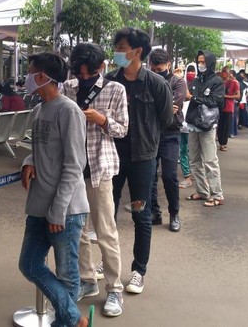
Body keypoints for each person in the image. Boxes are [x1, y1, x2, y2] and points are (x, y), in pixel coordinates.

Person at [19, 52, 90, 327]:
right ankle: (74, 319)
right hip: (38, 205)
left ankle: (66, 322)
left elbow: (75, 164)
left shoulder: (69, 110)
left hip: (65, 211)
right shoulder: (39, 110)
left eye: (30, 71)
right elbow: (39, 149)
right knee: (29, 264)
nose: (26, 77)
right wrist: (28, 162)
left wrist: (58, 210)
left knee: (67, 276)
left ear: (41, 77)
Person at [62, 42, 128, 317]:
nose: (83, 79)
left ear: (102, 68)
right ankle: (87, 281)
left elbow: (123, 129)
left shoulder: (115, 90)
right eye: (79, 74)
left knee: (105, 232)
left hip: (100, 169)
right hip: (72, 171)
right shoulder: (67, 87)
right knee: (76, 230)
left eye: (88, 74)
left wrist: (102, 120)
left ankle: (114, 289)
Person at [105, 27, 173, 294]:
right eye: (117, 47)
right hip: (110, 156)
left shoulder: (156, 84)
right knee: (106, 212)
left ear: (137, 51)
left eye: (122, 47)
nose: (117, 52)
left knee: (140, 213)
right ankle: (106, 262)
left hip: (142, 159)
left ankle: (138, 271)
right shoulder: (109, 80)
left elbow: (166, 119)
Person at [147, 49, 186, 232]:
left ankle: (174, 213)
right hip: (149, 133)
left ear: (168, 65)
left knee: (169, 175)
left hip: (170, 134)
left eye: (160, 69)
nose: (156, 72)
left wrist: (153, 105)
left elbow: (173, 108)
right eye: (153, 69)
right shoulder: (146, 79)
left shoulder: (178, 82)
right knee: (149, 176)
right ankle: (154, 211)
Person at [185, 50, 226, 207]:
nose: (201, 65)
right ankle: (203, 191)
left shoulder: (217, 81)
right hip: (193, 124)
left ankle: (217, 194)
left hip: (207, 126)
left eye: (204, 62)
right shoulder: (196, 80)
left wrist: (194, 98)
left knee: (210, 160)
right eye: (199, 62)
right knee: (194, 160)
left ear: (210, 63)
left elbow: (215, 100)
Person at [176, 67, 193, 189]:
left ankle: (198, 176)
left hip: (195, 124)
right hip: (182, 124)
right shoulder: (176, 88)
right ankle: (187, 176)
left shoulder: (195, 85)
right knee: (183, 150)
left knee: (194, 151)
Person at [217, 71, 240, 151]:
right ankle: (220, 142)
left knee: (226, 127)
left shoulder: (234, 83)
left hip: (228, 107)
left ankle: (223, 144)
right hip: (220, 107)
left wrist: (226, 96)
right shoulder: (221, 82)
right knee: (219, 126)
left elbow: (238, 96)